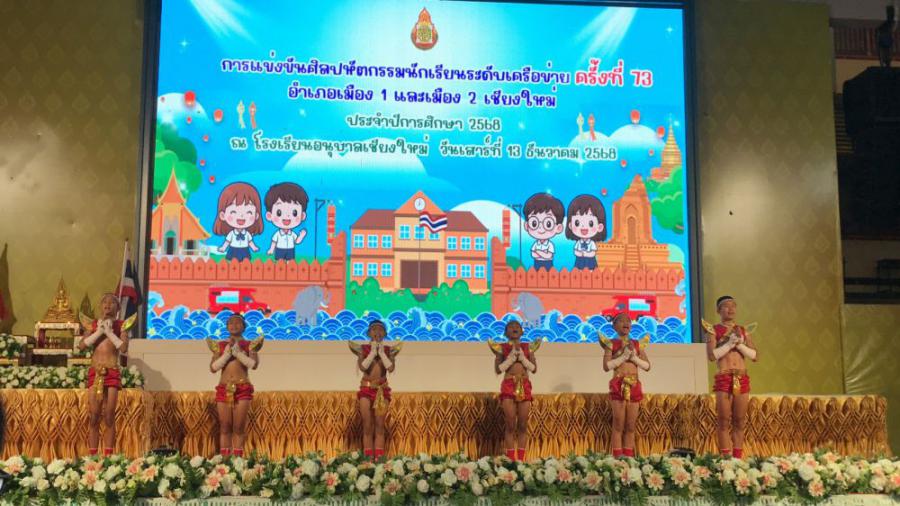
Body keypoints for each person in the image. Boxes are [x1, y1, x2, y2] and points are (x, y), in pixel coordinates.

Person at [703, 295, 758, 459]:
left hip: (741, 378)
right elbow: (711, 356)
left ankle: (737, 458)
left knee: (740, 420)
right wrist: (728, 344)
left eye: (733, 306)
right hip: (724, 377)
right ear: (718, 310)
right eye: (726, 306)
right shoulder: (713, 330)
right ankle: (726, 460)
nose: (731, 309)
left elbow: (755, 356)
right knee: (723, 420)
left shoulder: (743, 330)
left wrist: (739, 344)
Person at [78, 293, 131, 456]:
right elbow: (81, 346)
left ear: (118, 307)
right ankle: (92, 456)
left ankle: (108, 456)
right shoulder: (92, 325)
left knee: (109, 415)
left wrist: (109, 333)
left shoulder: (122, 325)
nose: (108, 305)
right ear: (100, 306)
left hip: (111, 372)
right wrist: (98, 332)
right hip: (95, 372)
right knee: (94, 415)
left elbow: (123, 348)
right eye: (104, 302)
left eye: (112, 302)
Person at [207, 314, 263, 457]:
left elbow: (253, 365)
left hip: (242, 389)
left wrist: (238, 353)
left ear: (244, 326)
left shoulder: (250, 344)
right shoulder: (220, 345)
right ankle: (225, 462)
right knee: (225, 427)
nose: (234, 325)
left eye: (238, 323)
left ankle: (238, 462)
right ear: (227, 326)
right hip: (224, 389)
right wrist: (227, 354)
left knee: (238, 427)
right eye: (231, 323)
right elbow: (213, 368)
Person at [349, 320, 401, 460]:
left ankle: (378, 461)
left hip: (381, 391)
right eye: (374, 329)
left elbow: (390, 368)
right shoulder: (363, 349)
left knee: (379, 425)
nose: (377, 332)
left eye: (380, 329)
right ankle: (368, 460)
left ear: (385, 333)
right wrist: (372, 352)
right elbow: (363, 367)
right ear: (369, 333)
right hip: (366, 389)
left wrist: (382, 353)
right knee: (367, 425)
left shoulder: (389, 350)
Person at [490, 320, 540, 461]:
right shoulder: (502, 348)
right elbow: (498, 370)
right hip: (509, 385)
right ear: (506, 332)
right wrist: (511, 358)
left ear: (522, 331)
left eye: (517, 326)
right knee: (510, 424)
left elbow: (534, 369)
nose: (514, 328)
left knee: (523, 424)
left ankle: (521, 460)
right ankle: (512, 460)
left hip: (524, 385)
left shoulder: (528, 347)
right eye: (511, 327)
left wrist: (522, 358)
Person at [601, 313, 650, 458]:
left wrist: (633, 357)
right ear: (614, 326)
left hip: (634, 385)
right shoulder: (611, 344)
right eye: (621, 321)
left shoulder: (637, 344)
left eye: (628, 320)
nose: (625, 323)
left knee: (630, 425)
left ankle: (629, 459)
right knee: (618, 425)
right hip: (619, 385)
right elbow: (606, 366)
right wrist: (623, 356)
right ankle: (617, 458)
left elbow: (647, 366)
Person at [214, 182, 263, 262]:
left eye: (249, 212)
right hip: (233, 250)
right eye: (233, 212)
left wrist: (254, 247)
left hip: (245, 250)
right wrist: (223, 248)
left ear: (256, 216)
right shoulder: (231, 234)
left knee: (245, 263)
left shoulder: (247, 234)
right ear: (223, 215)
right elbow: (227, 242)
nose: (241, 216)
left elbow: (250, 242)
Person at [264, 182, 309, 261]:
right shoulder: (277, 234)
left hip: (290, 250)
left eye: (294, 213)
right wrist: (271, 249)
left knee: (290, 263)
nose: (287, 216)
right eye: (279, 213)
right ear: (269, 216)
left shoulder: (292, 234)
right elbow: (274, 242)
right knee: (279, 263)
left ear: (302, 216)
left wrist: (301, 236)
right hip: (279, 249)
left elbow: (297, 241)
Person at [524, 193, 565, 271]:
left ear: (558, 228)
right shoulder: (536, 244)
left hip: (548, 264)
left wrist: (538, 252)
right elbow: (533, 254)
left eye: (548, 224)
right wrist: (542, 254)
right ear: (527, 226)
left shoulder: (550, 245)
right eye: (534, 223)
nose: (540, 228)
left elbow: (549, 256)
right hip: (537, 263)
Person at [565, 194, 607, 270]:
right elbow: (575, 251)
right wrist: (579, 253)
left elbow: (593, 253)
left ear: (600, 227)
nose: (583, 227)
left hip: (590, 262)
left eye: (591, 223)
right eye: (577, 223)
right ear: (570, 225)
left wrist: (586, 254)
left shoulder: (591, 243)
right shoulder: (578, 243)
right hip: (579, 262)